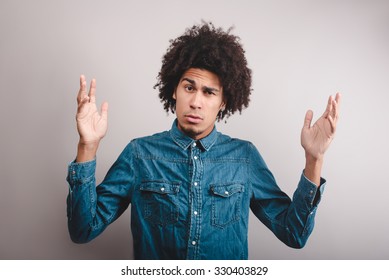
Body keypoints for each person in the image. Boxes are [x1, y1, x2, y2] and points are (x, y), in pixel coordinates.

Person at [66, 22, 341, 260]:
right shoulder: (140, 154)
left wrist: (313, 159)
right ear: (174, 90)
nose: (196, 102)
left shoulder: (244, 157)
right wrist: (87, 146)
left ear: (223, 102)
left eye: (209, 93)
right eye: (189, 87)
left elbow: (293, 234)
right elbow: (83, 229)